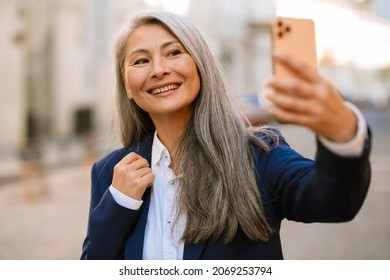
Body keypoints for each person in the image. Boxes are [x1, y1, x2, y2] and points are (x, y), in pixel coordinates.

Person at [81, 10, 371, 260]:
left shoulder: (258, 155)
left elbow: (333, 201)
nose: (158, 70)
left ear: (200, 65)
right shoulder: (111, 173)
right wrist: (119, 203)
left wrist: (343, 134)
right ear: (127, 87)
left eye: (173, 53)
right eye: (141, 61)